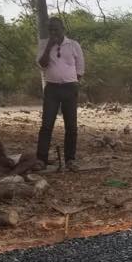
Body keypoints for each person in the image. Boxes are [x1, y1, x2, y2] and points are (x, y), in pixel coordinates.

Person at [36, 17, 84, 171]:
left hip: (69, 88)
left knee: (71, 126)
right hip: (52, 89)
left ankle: (70, 159)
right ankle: (41, 159)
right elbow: (42, 64)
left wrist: (71, 82)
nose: (53, 32)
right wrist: (49, 46)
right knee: (47, 125)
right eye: (50, 29)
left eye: (56, 29)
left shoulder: (73, 45)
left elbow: (80, 68)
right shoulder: (44, 44)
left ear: (63, 29)